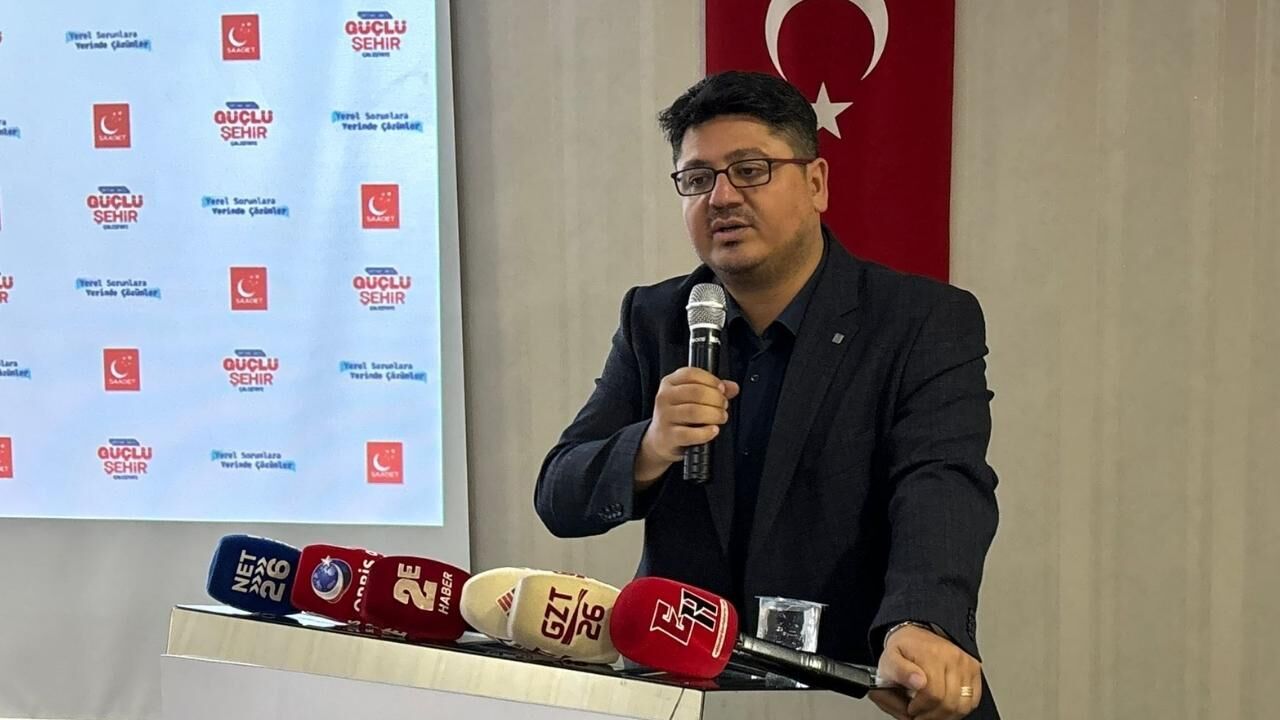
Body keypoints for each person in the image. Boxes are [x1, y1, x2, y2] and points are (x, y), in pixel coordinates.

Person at [534, 71, 999, 720]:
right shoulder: (656, 318)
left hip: (863, 683)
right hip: (687, 692)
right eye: (697, 178)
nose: (721, 197)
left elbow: (941, 483)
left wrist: (922, 621)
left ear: (816, 183)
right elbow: (559, 495)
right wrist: (649, 446)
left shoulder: (920, 320)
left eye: (750, 170)